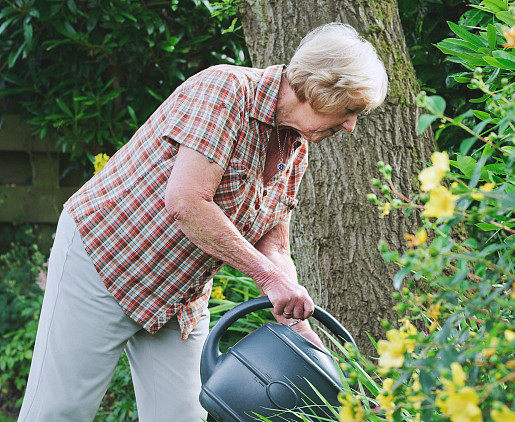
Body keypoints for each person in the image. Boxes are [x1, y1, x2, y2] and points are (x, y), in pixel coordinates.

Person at [18, 22, 388, 421]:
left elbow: (275, 245)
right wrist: (268, 279)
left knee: (182, 417)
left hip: (180, 292)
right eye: (350, 110)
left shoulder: (294, 148)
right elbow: (186, 201)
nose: (351, 126)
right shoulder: (226, 91)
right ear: (320, 87)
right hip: (107, 258)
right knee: (59, 411)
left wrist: (297, 327)